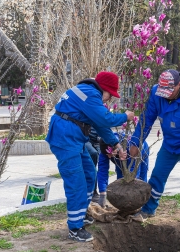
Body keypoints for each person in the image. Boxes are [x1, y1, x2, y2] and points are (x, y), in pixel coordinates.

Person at [46, 71, 134, 242]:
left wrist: (115, 144)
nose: (109, 99)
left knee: (89, 174)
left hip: (74, 139)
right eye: (110, 95)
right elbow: (105, 119)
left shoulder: (90, 93)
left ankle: (82, 214)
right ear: (104, 89)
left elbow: (100, 125)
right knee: (76, 182)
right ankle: (75, 227)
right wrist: (125, 116)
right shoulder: (90, 94)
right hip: (65, 139)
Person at [129, 69, 180, 248]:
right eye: (162, 93)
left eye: (170, 92)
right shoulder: (156, 92)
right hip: (170, 144)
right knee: (157, 176)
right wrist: (136, 142)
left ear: (179, 85)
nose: (165, 96)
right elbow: (147, 119)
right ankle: (148, 209)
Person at [97, 133, 149, 207]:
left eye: (110, 154)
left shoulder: (129, 147)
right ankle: (123, 204)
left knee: (140, 178)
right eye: (106, 155)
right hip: (119, 156)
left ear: (116, 148)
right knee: (121, 180)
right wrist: (102, 193)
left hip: (139, 150)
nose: (108, 157)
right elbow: (102, 171)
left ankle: (142, 204)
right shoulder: (104, 152)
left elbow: (133, 171)